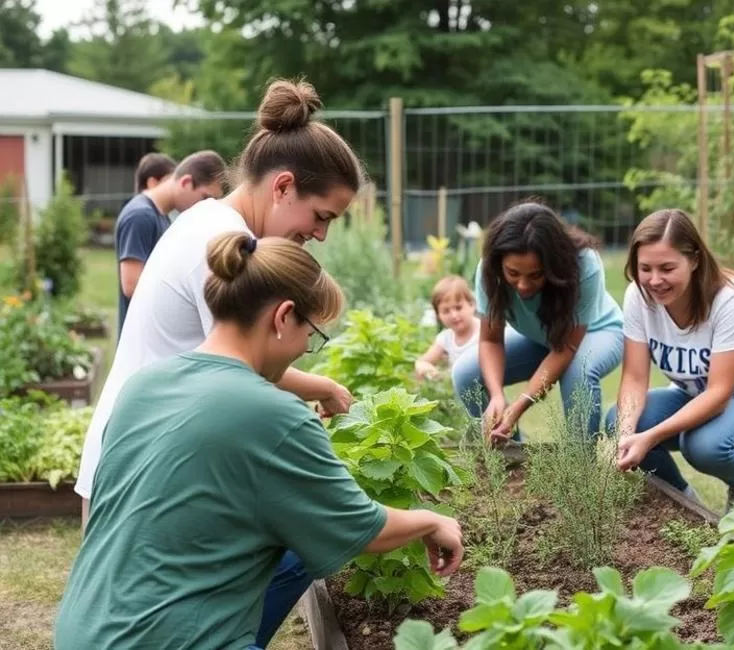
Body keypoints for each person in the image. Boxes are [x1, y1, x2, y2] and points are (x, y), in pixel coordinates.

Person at [54, 232, 464, 650]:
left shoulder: (145, 382)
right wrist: (433, 521)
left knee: (294, 555)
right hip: (160, 642)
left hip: (82, 629)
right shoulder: (274, 413)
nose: (307, 350)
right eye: (313, 335)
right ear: (284, 317)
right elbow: (362, 527)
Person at [74, 78, 365, 647]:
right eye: (322, 215)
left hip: (151, 449)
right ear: (283, 186)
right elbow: (244, 369)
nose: (321, 235)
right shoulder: (224, 243)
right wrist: (321, 389)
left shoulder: (212, 225)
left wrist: (317, 387)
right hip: (145, 466)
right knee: (298, 536)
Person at [606, 209, 734, 512]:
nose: (655, 280)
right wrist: (627, 434)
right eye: (645, 268)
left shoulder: (730, 298)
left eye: (667, 268)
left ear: (694, 260)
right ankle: (681, 501)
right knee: (618, 420)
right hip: (691, 396)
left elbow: (719, 394)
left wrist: (649, 437)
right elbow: (635, 379)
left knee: (702, 444)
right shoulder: (637, 297)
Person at [452, 200, 624, 444]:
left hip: (598, 332)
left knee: (578, 372)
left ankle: (580, 469)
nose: (523, 285)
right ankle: (508, 458)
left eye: (536, 275)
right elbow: (490, 340)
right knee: (466, 374)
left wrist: (521, 404)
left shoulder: (584, 264)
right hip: (540, 336)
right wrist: (497, 396)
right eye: (513, 273)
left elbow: (565, 349)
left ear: (554, 264)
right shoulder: (489, 270)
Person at [115, 149, 226, 336]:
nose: (207, 206)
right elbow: (131, 285)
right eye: (205, 197)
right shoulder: (140, 215)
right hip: (142, 340)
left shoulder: (161, 217)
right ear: (186, 182)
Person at [415, 274, 480, 380]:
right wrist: (427, 368)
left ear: (472, 305)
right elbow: (422, 361)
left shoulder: (483, 331)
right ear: (438, 315)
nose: (454, 315)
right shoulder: (446, 338)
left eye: (458, 308)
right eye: (446, 311)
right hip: (459, 389)